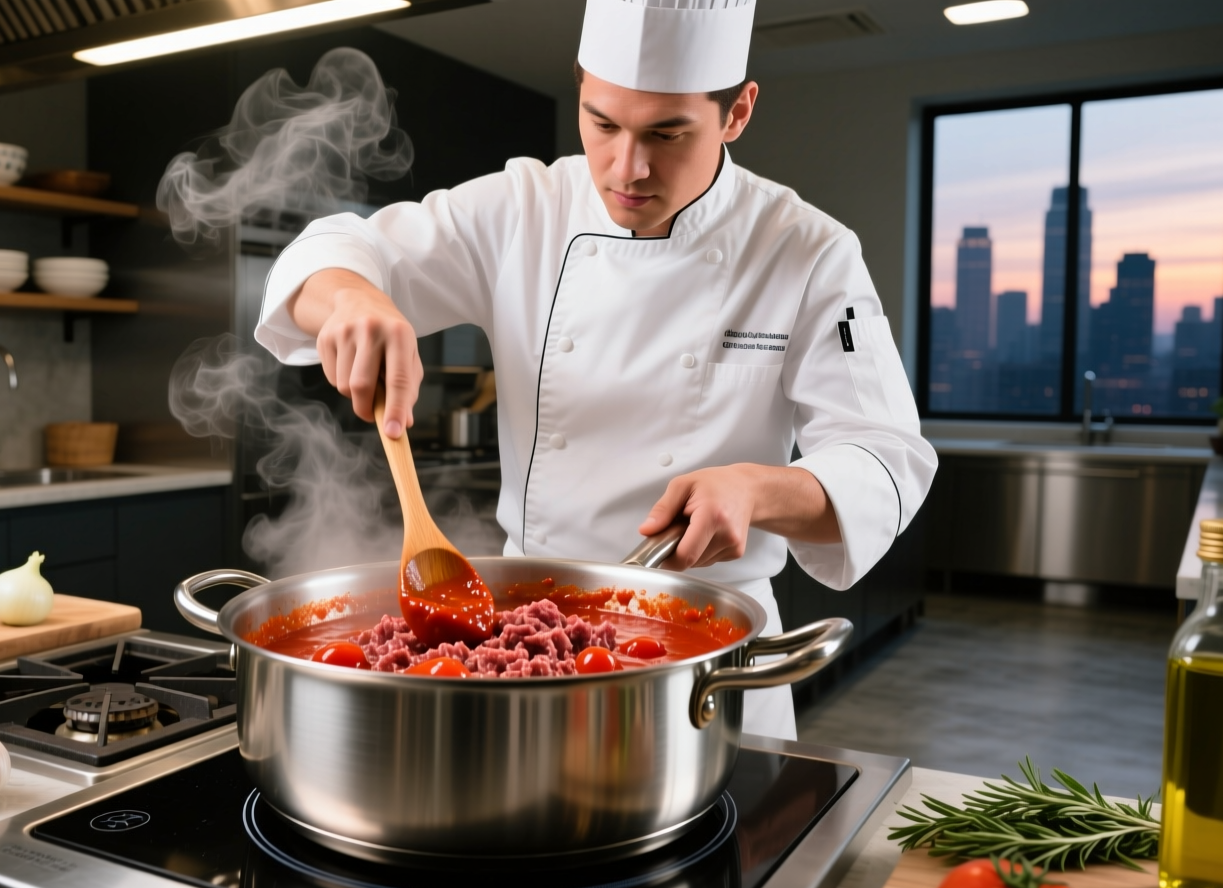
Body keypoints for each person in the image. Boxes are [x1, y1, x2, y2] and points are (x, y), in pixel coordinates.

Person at [256, 0, 936, 740]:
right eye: (603, 123)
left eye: (667, 134)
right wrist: (352, 297)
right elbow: (334, 250)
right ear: (580, 87)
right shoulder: (523, 208)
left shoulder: (807, 252)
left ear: (737, 113)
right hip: (516, 654)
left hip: (702, 656)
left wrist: (758, 489)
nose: (627, 169)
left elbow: (886, 455)